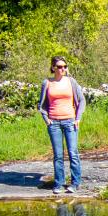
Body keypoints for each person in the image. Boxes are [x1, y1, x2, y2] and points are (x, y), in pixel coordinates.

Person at [37, 57, 86, 192]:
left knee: (73, 152)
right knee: (58, 155)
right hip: (54, 123)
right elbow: (41, 105)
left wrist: (78, 118)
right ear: (53, 68)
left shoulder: (71, 82)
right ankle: (58, 183)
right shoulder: (47, 83)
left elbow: (82, 100)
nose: (62, 69)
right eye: (59, 66)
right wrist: (46, 120)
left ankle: (75, 183)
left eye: (64, 66)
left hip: (70, 121)